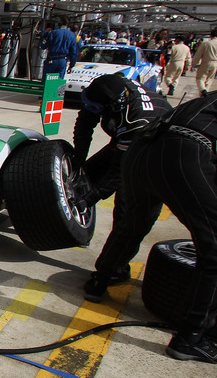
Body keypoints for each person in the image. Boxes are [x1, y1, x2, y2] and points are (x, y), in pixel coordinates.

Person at [85, 92, 217, 363]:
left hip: (143, 148)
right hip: (184, 152)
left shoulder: (208, 100)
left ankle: (100, 280)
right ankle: (192, 337)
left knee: (133, 224)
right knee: (214, 248)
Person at [74, 74, 171, 214]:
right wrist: (79, 155)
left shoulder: (135, 122)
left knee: (125, 204)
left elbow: (118, 172)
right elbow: (85, 123)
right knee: (87, 172)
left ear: (114, 106)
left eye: (95, 107)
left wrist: (90, 198)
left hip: (156, 152)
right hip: (127, 138)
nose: (90, 109)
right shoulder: (110, 87)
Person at [192, 27, 217, 96]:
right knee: (210, 79)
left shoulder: (206, 43)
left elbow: (198, 55)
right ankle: (205, 93)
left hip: (206, 62)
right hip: (215, 63)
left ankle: (203, 90)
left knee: (200, 79)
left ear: (211, 35)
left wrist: (194, 64)